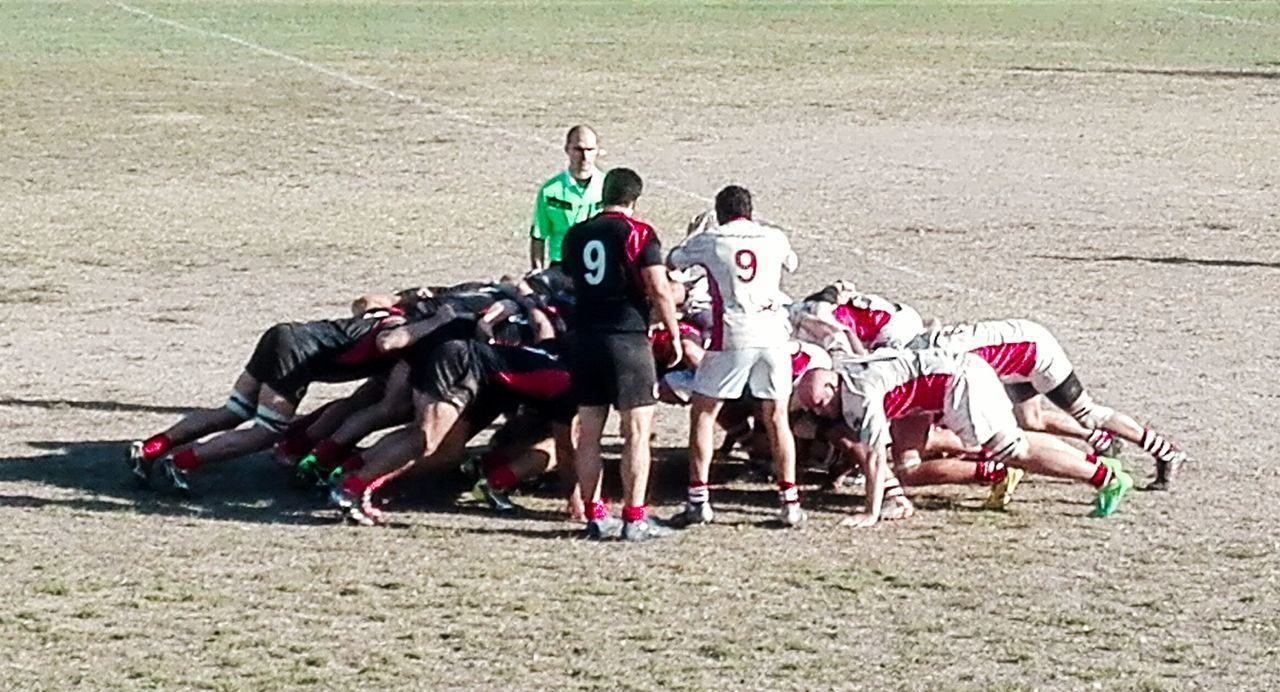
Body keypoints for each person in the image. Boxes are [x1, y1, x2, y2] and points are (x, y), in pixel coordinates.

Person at [908, 318, 1188, 489]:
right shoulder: (919, 353)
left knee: (1089, 413)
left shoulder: (932, 362)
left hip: (1033, 353)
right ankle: (1098, 441)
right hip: (1012, 358)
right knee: (1032, 421)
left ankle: (1166, 451)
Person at [666, 185, 805, 527]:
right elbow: (793, 264)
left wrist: (692, 236)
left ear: (720, 212)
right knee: (777, 419)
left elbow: (673, 264)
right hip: (774, 335)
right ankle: (790, 502)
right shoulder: (773, 236)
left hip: (734, 333)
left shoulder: (712, 239)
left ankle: (699, 498)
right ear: (751, 210)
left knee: (703, 413)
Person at [560, 167, 683, 541]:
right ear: (634, 199)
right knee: (636, 433)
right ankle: (634, 517)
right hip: (627, 339)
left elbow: (569, 280)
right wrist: (673, 333)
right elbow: (658, 288)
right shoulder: (640, 233)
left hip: (585, 338)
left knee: (589, 433)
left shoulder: (577, 233)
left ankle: (596, 515)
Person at [530, 125, 604, 270]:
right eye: (578, 150)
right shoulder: (551, 190)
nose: (584, 157)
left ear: (597, 151)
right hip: (562, 265)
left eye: (590, 150)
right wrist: (537, 272)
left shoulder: (608, 186)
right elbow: (539, 235)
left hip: (599, 264)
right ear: (567, 149)